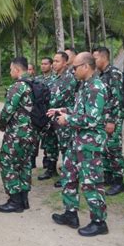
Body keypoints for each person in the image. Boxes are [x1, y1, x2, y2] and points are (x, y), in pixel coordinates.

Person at [50, 52, 109, 237]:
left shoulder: (96, 87)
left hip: (90, 144)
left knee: (91, 183)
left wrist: (67, 119)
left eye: (75, 67)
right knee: (69, 176)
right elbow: (80, 109)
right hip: (78, 142)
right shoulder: (85, 85)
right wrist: (63, 110)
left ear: (85, 66)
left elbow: (91, 119)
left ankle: (99, 222)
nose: (72, 70)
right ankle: (70, 214)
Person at [0, 57, 35, 213]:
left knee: (7, 161)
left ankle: (14, 200)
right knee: (25, 163)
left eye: (11, 69)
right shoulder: (35, 83)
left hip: (17, 132)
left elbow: (8, 110)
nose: (10, 72)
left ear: (17, 70)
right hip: (31, 131)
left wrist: (1, 124)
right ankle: (24, 198)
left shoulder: (18, 86)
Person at [41, 52, 78, 187]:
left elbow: (57, 98)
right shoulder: (53, 78)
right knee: (50, 144)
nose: (54, 64)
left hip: (63, 116)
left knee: (65, 147)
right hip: (51, 116)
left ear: (65, 63)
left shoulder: (69, 78)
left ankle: (68, 175)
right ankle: (51, 169)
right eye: (54, 61)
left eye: (57, 61)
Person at [93, 47, 124, 196]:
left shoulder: (114, 73)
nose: (94, 61)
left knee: (114, 148)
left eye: (96, 58)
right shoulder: (102, 75)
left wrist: (112, 120)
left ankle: (119, 182)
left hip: (113, 117)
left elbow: (116, 99)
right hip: (104, 117)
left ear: (104, 58)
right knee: (105, 148)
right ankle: (108, 176)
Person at [34, 57, 56, 173]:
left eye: (46, 64)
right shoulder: (37, 79)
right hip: (41, 114)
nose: (43, 66)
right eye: (41, 64)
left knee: (51, 140)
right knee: (43, 139)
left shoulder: (55, 79)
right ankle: (46, 165)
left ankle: (51, 166)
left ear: (51, 65)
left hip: (52, 112)